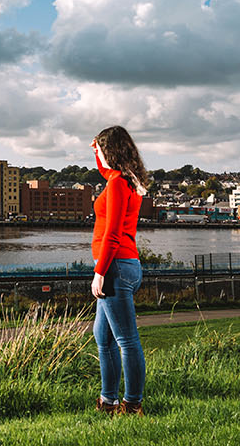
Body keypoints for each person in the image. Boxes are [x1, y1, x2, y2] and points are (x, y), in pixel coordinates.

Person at [90, 125, 149, 415]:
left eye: (101, 150)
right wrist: (95, 150)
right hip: (129, 265)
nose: (98, 155)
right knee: (103, 337)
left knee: (126, 340)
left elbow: (112, 233)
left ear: (110, 150)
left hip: (114, 268)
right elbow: (105, 171)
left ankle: (132, 403)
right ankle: (108, 401)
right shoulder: (127, 180)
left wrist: (100, 272)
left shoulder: (116, 185)